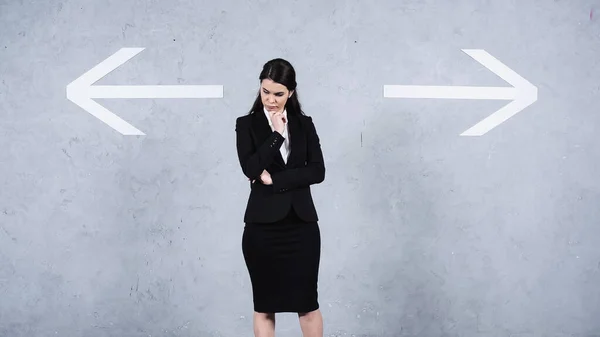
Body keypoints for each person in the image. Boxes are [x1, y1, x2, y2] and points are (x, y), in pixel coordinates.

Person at [234, 58, 326, 337]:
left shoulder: (304, 125)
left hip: (302, 225)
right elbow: (249, 168)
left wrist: (274, 179)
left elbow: (318, 171)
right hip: (262, 227)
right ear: (260, 88)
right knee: (264, 306)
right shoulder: (246, 124)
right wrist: (275, 134)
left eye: (278, 94)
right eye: (265, 92)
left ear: (291, 93)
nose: (270, 100)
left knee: (308, 305)